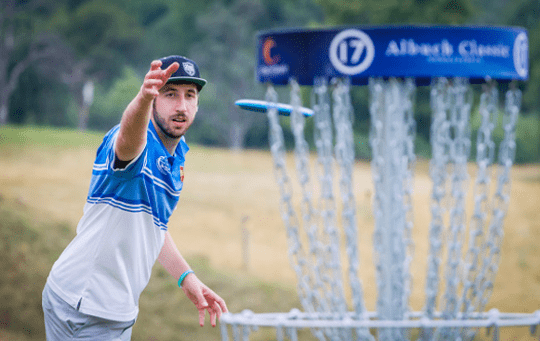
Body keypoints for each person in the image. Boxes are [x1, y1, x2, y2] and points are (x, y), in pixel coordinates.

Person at [42, 55, 228, 340]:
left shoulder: (176, 155)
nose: (181, 106)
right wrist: (142, 98)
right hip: (84, 308)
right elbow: (129, 141)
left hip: (117, 312)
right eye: (170, 94)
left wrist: (186, 277)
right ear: (154, 100)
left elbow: (153, 227)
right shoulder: (136, 142)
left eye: (190, 96)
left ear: (197, 104)